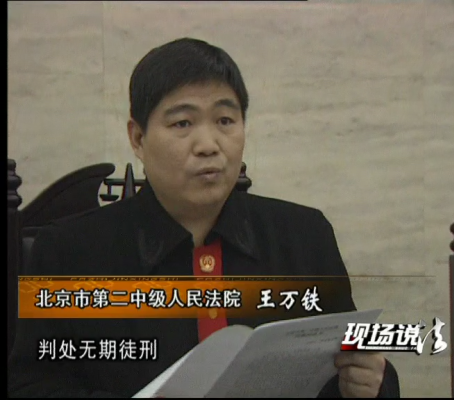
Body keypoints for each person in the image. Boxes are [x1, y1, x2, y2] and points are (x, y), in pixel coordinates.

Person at [8, 38, 400, 398]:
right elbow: (30, 385)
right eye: (183, 123)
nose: (209, 145)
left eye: (225, 121)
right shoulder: (68, 252)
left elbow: (352, 362)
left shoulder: (304, 236)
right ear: (138, 138)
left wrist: (371, 384)